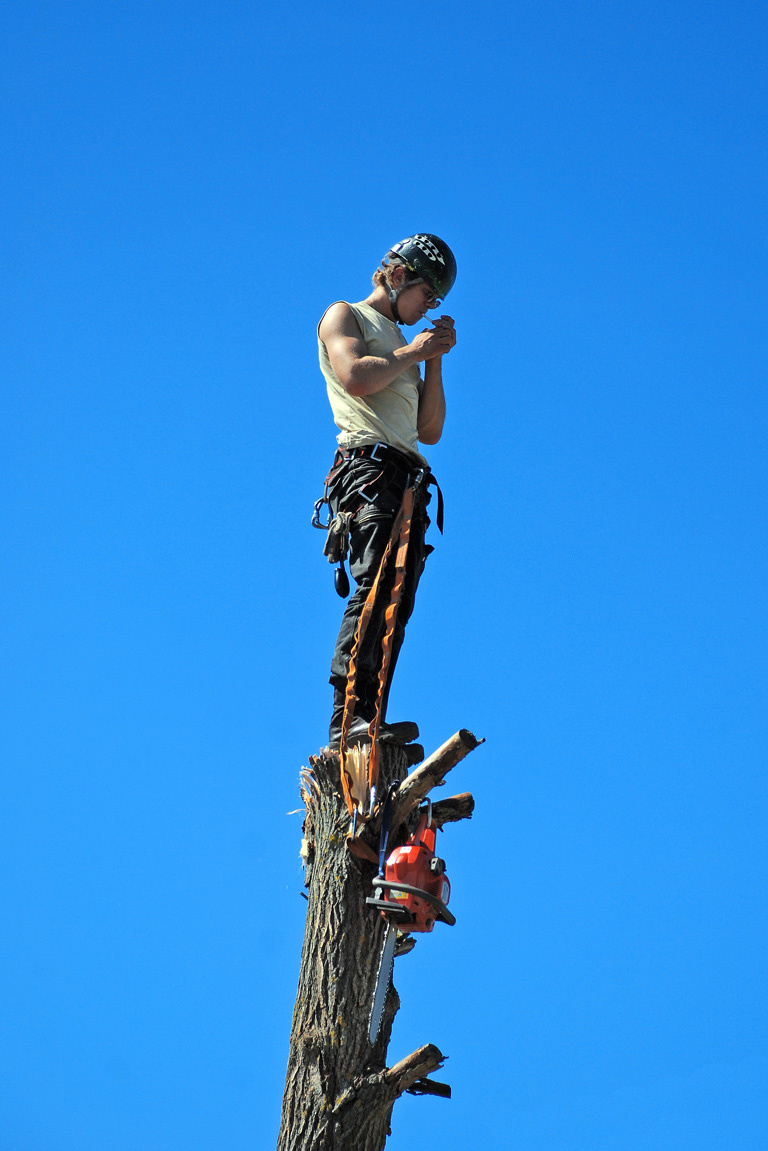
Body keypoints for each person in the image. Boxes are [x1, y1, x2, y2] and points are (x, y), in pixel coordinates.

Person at [316, 234, 457, 748]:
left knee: (398, 599)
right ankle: (346, 719)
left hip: (407, 479)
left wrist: (433, 360)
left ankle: (371, 718)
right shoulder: (345, 316)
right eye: (427, 294)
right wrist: (414, 350)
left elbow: (430, 430)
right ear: (398, 276)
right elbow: (354, 375)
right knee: (374, 585)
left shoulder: (404, 347)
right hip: (369, 469)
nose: (428, 308)